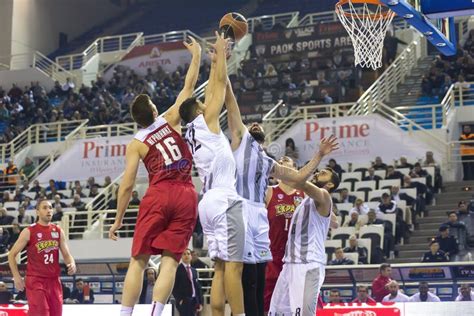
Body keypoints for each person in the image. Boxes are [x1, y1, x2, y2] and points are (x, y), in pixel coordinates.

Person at [225, 74, 339, 316]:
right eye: (282, 161)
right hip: (277, 258)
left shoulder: (311, 194)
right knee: (268, 308)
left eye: (288, 161)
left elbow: (330, 217)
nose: (284, 161)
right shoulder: (268, 189)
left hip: (301, 259)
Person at [108, 36, 202, 316]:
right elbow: (189, 85)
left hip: (158, 193)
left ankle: (126, 314)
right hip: (186, 194)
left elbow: (126, 187)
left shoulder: (136, 142)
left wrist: (117, 220)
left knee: (138, 260)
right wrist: (196, 56)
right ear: (152, 110)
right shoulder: (171, 118)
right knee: (171, 261)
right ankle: (156, 313)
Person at [179, 33, 247, 316]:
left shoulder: (191, 129)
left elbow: (207, 91)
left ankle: (217, 313)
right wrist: (220, 55)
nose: (209, 105)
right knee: (234, 266)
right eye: (204, 104)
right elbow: (218, 86)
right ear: (199, 110)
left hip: (207, 203)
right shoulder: (205, 121)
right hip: (223, 199)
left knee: (220, 266)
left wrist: (214, 61)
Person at [269, 158, 341, 314]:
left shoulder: (323, 195)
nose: (317, 173)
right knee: (275, 313)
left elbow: (298, 182)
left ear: (329, 185)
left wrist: (320, 154)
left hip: (308, 264)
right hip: (289, 264)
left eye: (322, 173)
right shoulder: (304, 200)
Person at [8, 198, 76, 316]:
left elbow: (66, 255)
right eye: (45, 208)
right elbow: (11, 255)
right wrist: (17, 276)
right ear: (37, 212)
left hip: (54, 280)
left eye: (50, 207)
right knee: (41, 313)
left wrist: (72, 263)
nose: (49, 210)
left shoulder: (58, 230)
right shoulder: (29, 231)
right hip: (36, 280)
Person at [264, 156, 304, 314]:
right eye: (279, 164)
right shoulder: (269, 191)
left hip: (296, 256)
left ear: (295, 170)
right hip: (273, 254)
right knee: (267, 300)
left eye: (286, 164)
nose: (282, 165)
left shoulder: (305, 194)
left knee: (295, 301)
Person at [172, 249, 203, 316]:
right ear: (181, 256)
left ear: (191, 256)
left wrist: (200, 302)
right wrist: (179, 299)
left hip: (195, 300)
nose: (186, 255)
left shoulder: (194, 271)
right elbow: (174, 286)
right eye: (184, 254)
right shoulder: (177, 270)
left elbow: (198, 287)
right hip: (184, 301)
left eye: (188, 254)